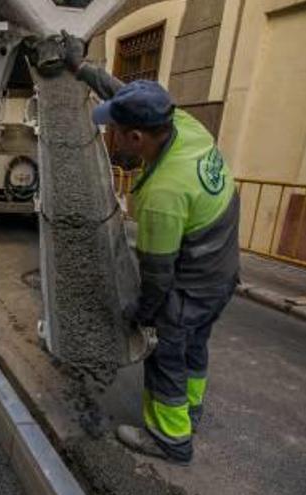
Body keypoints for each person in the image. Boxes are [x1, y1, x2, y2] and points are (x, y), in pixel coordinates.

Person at [60, 32, 241, 465]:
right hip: (223, 269)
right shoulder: (184, 125)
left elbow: (158, 278)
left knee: (166, 351)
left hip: (194, 280)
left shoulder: (162, 194)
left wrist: (141, 318)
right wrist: (82, 70)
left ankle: (171, 437)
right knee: (195, 344)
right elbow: (124, 96)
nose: (111, 138)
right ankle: (190, 411)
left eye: (115, 133)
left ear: (137, 138)